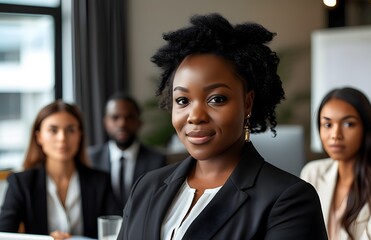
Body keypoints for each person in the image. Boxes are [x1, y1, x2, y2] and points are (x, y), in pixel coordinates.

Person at [117, 13, 328, 240]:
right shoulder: (146, 187)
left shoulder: (288, 200)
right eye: (182, 101)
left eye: (216, 99)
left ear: (247, 103)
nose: (195, 116)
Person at [300, 87, 371, 240]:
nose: (335, 135)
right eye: (327, 125)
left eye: (348, 124)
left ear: (367, 129)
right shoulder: (312, 173)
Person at [0, 100, 119, 239]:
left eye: (70, 130)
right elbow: (4, 235)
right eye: (53, 130)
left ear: (80, 135)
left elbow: (118, 230)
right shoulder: (21, 183)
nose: (62, 138)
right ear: (39, 137)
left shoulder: (101, 182)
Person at [88, 92, 167, 207]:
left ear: (139, 122)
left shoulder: (157, 160)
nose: (122, 123)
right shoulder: (91, 158)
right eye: (115, 118)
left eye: (129, 117)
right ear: (106, 123)